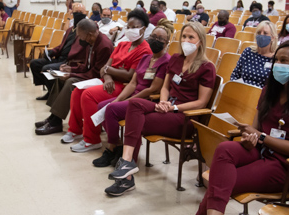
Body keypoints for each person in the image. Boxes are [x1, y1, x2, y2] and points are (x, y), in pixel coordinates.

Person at [174, 40, 289, 215]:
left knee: (224, 179)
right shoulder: (270, 90)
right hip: (259, 150)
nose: (277, 65)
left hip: (284, 165)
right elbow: (256, 129)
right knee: (224, 149)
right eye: (276, 60)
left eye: (284, 61)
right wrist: (249, 137)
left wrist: (261, 137)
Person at [104, 21, 216, 196]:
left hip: (185, 117)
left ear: (200, 41)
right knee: (134, 104)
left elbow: (201, 103)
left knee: (137, 121)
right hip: (166, 108)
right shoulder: (177, 59)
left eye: (191, 37)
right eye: (184, 36)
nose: (186, 40)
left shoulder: (207, 67)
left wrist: (174, 108)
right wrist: (163, 102)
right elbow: (165, 87)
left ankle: (126, 175)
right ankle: (127, 163)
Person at [64, 13, 154, 151]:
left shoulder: (145, 50)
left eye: (134, 27)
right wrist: (108, 76)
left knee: (88, 95)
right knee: (77, 91)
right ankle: (75, 130)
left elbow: (130, 76)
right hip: (110, 82)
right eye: (128, 27)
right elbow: (103, 68)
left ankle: (92, 139)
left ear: (143, 29)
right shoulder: (123, 44)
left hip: (124, 87)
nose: (130, 30)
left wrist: (108, 70)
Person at [93, 24, 173, 168]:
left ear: (167, 43)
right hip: (135, 94)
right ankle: (118, 145)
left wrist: (129, 100)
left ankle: (112, 148)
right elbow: (133, 83)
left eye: (161, 38)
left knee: (111, 110)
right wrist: (118, 99)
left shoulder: (166, 61)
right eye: (154, 36)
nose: (156, 40)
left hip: (146, 100)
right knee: (102, 105)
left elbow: (153, 88)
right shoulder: (146, 57)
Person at [34, 18, 113, 136]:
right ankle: (53, 117)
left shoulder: (104, 46)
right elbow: (87, 66)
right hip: (91, 75)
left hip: (100, 78)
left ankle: (55, 122)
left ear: (89, 34)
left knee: (70, 81)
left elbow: (95, 73)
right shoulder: (91, 42)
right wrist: (72, 69)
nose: (80, 40)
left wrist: (72, 74)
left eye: (81, 37)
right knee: (60, 79)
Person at [29, 5, 85, 96]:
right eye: (76, 12)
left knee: (46, 68)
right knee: (34, 63)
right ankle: (50, 90)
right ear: (72, 13)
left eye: (81, 12)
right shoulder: (70, 30)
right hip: (60, 57)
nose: (78, 14)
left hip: (69, 61)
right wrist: (52, 52)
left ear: (85, 13)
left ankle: (54, 94)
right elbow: (62, 45)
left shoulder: (85, 30)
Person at [230, 21, 276, 87]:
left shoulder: (276, 58)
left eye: (265, 33)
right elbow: (235, 74)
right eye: (259, 33)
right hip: (241, 90)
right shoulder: (248, 52)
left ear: (272, 37)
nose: (261, 35)